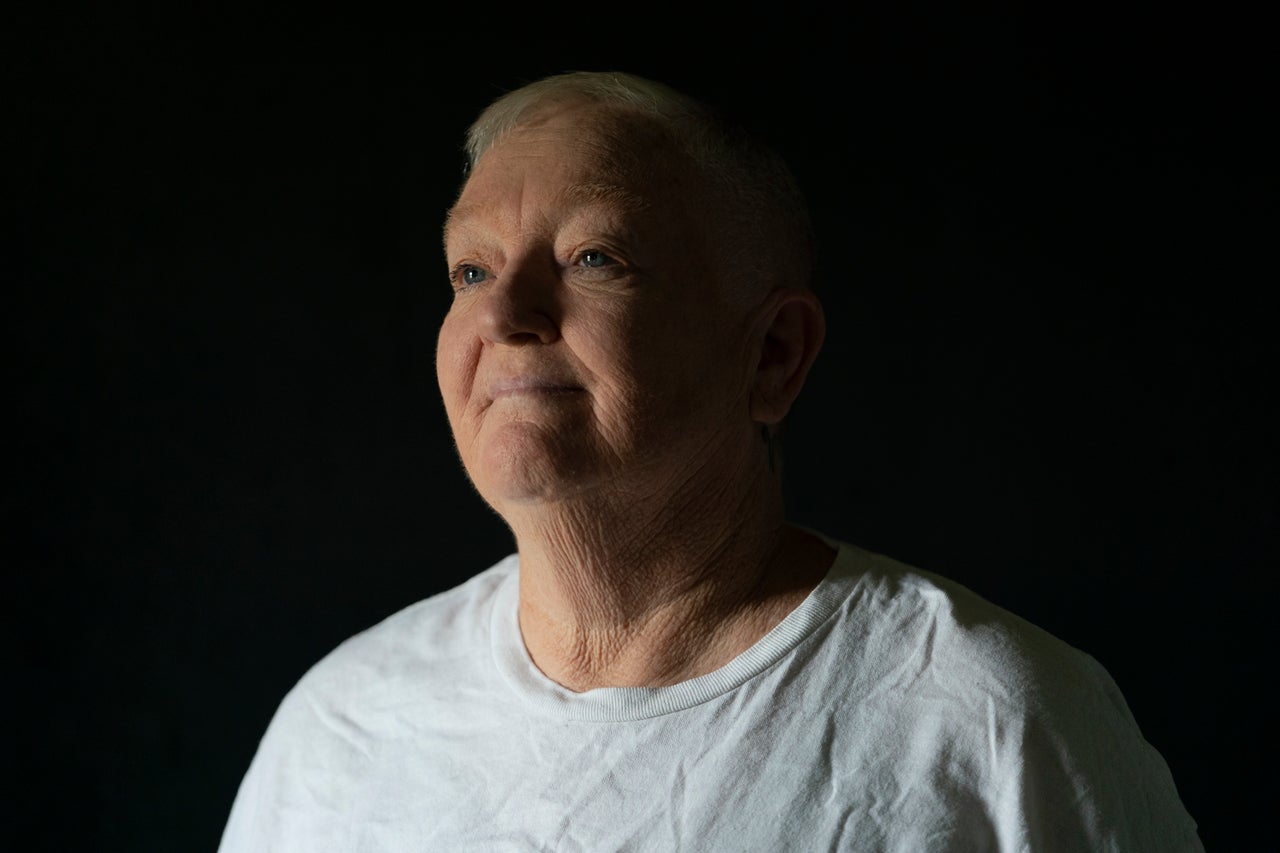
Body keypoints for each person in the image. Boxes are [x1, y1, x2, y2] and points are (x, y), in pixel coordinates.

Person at [217, 70, 1202, 851]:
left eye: (592, 257)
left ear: (771, 354)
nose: (502, 316)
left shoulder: (986, 721)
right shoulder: (340, 727)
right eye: (469, 268)